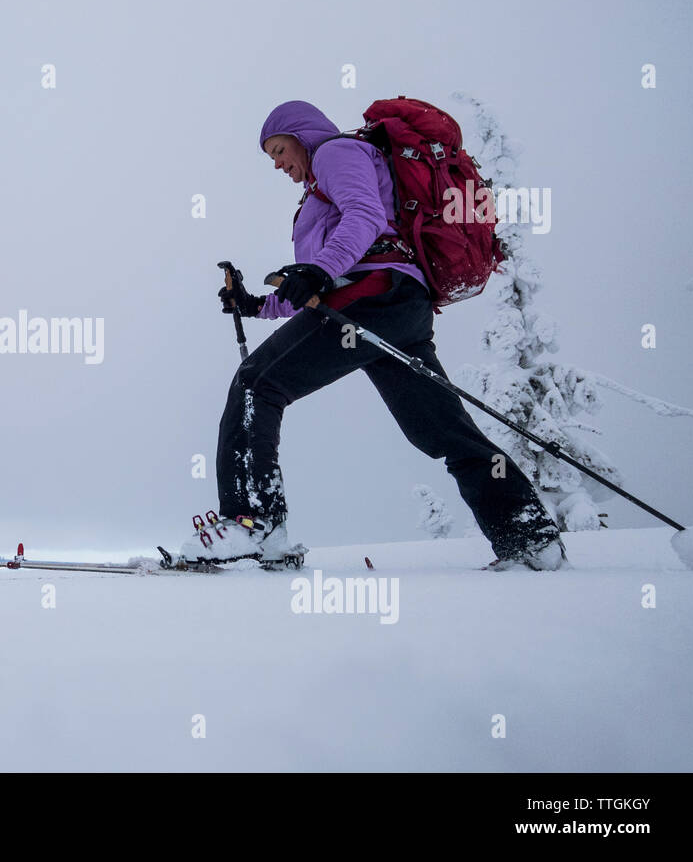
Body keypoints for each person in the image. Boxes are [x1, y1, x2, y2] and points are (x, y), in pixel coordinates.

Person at [184, 99, 566, 571]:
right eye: (272, 158)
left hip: (372, 299)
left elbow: (361, 221)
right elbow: (320, 284)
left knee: (256, 384)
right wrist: (257, 305)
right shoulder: (325, 180)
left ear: (302, 135)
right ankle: (528, 537)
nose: (279, 164)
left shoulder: (334, 153)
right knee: (443, 431)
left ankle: (252, 526)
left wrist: (317, 271)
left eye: (280, 150)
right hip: (396, 306)